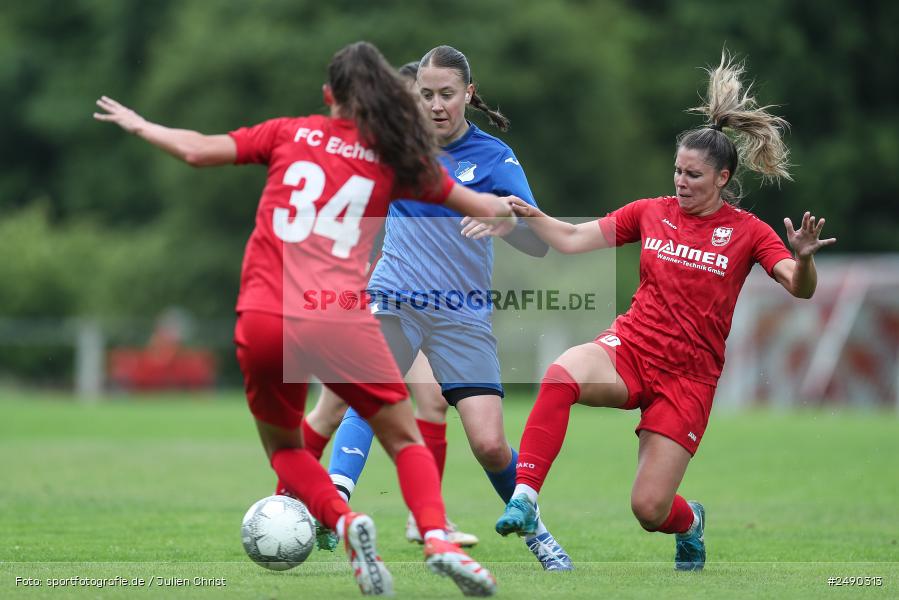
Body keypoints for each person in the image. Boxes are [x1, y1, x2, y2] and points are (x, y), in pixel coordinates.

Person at [94, 41, 513, 596]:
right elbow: (487, 207)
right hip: (338, 320)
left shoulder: (288, 133)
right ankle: (436, 538)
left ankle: (344, 522)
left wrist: (142, 125)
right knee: (408, 440)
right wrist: (502, 213)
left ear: (327, 95)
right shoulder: (394, 160)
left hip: (267, 317)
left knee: (289, 448)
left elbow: (197, 151)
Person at [491, 52, 836, 572]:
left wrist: (804, 260)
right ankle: (526, 496)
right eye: (676, 170)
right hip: (630, 350)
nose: (680, 180)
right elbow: (573, 238)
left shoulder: (749, 232)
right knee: (560, 375)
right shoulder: (651, 212)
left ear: (722, 177)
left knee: (649, 509)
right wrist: (536, 218)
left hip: (689, 379)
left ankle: (690, 523)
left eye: (693, 174)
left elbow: (798, 287)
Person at [306, 46, 574, 572]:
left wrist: (507, 222)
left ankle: (536, 530)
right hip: (395, 296)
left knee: (491, 446)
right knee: (372, 390)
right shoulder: (395, 146)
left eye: (446, 94)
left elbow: (539, 241)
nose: (435, 105)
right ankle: (333, 500)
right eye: (425, 94)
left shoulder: (495, 157)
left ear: (468, 94)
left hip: (461, 315)